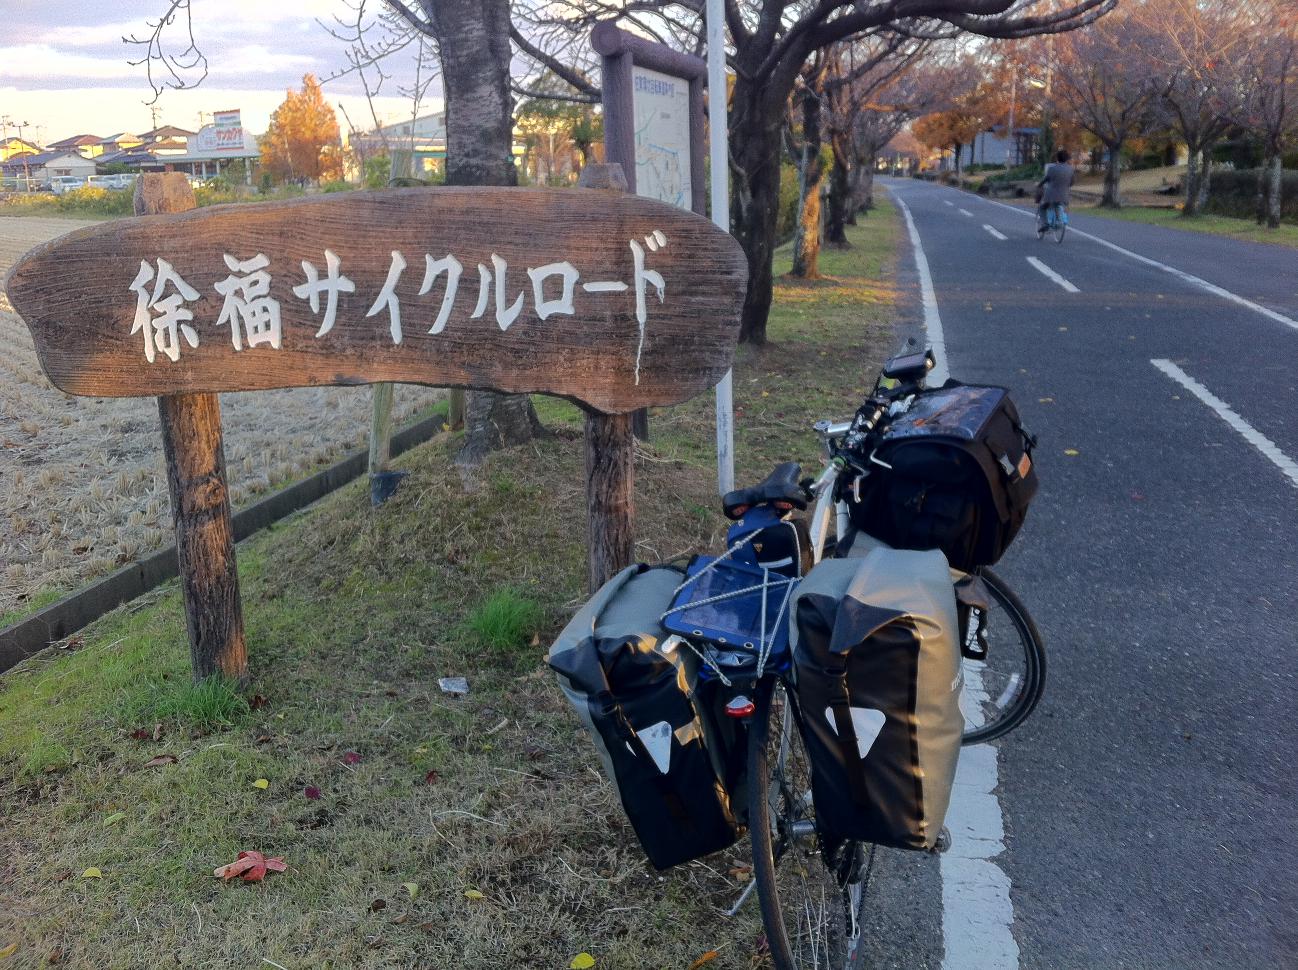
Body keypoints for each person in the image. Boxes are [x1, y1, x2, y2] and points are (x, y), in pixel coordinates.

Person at [1036, 150, 1075, 230]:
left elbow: (1046, 180)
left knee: (1042, 208)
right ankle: (1059, 222)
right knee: (1057, 205)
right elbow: (1072, 182)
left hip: (1051, 195)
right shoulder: (1071, 169)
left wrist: (1039, 185)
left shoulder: (1052, 169)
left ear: (1057, 158)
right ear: (1067, 159)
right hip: (1065, 195)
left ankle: (1046, 225)